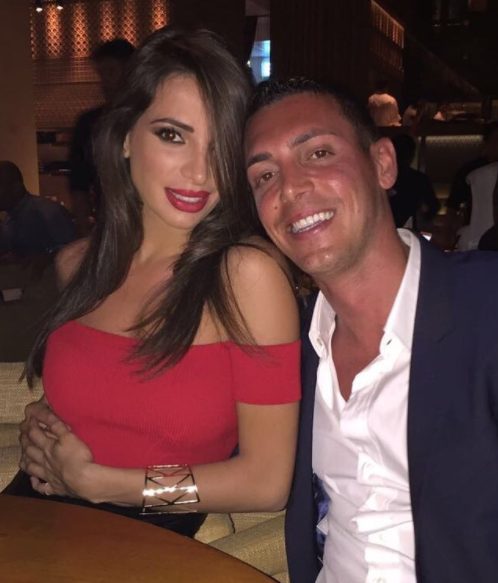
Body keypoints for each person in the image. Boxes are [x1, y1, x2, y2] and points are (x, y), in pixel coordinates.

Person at [244, 77, 498, 583]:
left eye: (317, 153)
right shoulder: (288, 343)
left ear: (383, 163)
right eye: (264, 176)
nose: (289, 188)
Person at [14, 27, 300, 538]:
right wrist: (42, 419)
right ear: (126, 136)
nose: (199, 172)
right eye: (173, 135)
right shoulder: (77, 265)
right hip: (32, 513)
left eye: (221, 146)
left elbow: (266, 483)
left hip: (143, 541)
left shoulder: (246, 277)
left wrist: (109, 484)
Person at [68, 38, 135, 234]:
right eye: (101, 74)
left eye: (111, 72)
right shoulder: (89, 123)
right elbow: (78, 182)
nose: (105, 82)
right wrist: (83, 224)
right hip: (108, 222)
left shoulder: (150, 118)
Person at [0, 161, 75, 257]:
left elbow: (71, 252)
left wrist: (43, 258)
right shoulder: (8, 220)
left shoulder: (48, 212)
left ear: (16, 187)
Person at [389, 133, 439, 230]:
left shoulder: (382, 177)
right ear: (412, 155)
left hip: (386, 228)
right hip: (410, 229)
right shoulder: (419, 179)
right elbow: (434, 206)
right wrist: (423, 218)